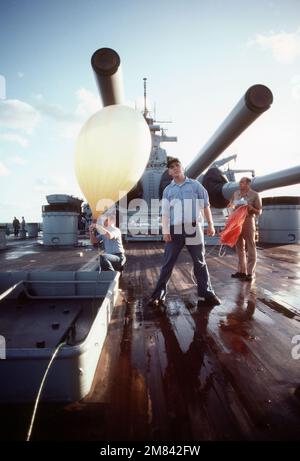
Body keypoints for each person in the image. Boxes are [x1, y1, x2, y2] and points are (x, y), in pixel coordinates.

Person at [149, 157, 221, 306]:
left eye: (177, 165)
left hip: (193, 228)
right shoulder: (168, 190)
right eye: (172, 167)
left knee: (199, 262)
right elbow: (166, 214)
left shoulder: (195, 186)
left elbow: (206, 205)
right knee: (168, 263)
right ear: (169, 172)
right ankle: (159, 295)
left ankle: (207, 293)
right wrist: (165, 230)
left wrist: (210, 224)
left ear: (182, 168)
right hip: (175, 230)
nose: (175, 168)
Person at [228, 177, 262, 282]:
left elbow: (259, 211)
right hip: (237, 222)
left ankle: (250, 273)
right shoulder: (236, 194)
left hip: (248, 221)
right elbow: (231, 206)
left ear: (248, 184)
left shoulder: (255, 195)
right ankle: (242, 271)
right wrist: (231, 207)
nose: (240, 183)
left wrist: (251, 208)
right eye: (240, 182)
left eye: (242, 182)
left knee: (251, 245)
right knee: (239, 247)